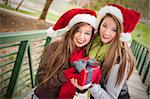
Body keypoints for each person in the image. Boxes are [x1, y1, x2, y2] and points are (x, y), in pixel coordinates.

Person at [71, 4, 140, 99]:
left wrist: (90, 85)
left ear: (121, 33)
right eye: (104, 25)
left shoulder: (120, 58)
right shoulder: (95, 44)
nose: (106, 33)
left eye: (114, 30)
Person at [33, 8, 100, 99]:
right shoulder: (56, 47)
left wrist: (82, 87)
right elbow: (41, 80)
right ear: (72, 30)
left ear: (91, 36)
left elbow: (80, 88)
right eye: (78, 31)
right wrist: (65, 75)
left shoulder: (85, 55)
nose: (81, 37)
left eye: (87, 33)